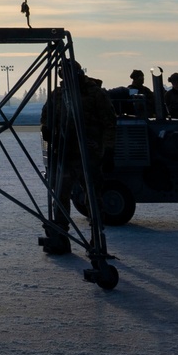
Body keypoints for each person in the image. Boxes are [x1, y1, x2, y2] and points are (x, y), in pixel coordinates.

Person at [40, 70, 117, 252]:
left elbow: (109, 123)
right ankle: (60, 237)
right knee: (60, 195)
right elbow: (46, 116)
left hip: (89, 154)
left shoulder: (95, 93)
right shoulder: (59, 94)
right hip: (65, 154)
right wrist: (47, 129)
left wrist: (109, 150)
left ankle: (97, 238)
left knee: (93, 196)